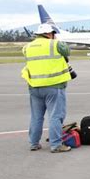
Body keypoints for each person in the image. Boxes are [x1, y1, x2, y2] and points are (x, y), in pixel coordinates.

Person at [21, 23, 73, 153]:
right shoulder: (55, 44)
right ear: (50, 34)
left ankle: (34, 143)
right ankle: (56, 145)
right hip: (54, 86)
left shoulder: (27, 47)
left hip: (34, 86)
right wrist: (55, 41)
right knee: (56, 115)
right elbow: (67, 51)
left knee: (36, 116)